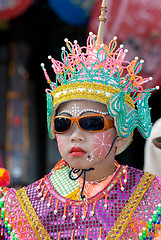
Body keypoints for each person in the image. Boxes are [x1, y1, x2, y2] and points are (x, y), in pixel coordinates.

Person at [0, 1, 161, 239]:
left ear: (122, 132)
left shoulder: (150, 198)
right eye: (63, 124)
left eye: (92, 123)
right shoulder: (19, 207)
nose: (75, 134)